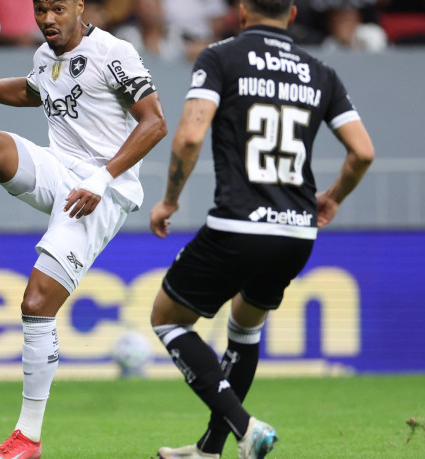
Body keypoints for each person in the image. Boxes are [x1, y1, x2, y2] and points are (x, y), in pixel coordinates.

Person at [0, 1, 167, 458]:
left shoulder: (114, 52)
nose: (47, 18)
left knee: (36, 303)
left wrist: (102, 179)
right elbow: (31, 91)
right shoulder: (46, 57)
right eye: (40, 8)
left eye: (58, 8)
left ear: (80, 6)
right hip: (60, 169)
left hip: (106, 189)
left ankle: (27, 437)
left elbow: (156, 122)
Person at [148, 0, 374, 458]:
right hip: (296, 230)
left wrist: (170, 198)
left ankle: (245, 426)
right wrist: (332, 197)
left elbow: (191, 135)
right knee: (244, 327)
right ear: (292, 14)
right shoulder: (321, 72)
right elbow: (363, 152)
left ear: (242, 10)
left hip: (239, 223)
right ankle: (210, 449)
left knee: (167, 319)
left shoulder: (221, 57)